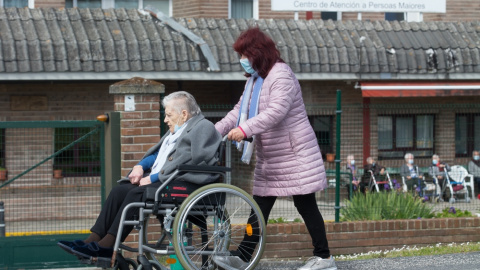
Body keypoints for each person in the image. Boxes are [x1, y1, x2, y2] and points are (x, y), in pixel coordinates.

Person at [213, 28, 336, 270]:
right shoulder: (255, 80)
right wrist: (211, 132)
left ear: (257, 52)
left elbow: (275, 113)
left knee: (305, 204)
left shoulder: (281, 75)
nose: (242, 60)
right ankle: (245, 256)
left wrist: (245, 129)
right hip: (271, 156)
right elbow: (238, 111)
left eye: (244, 54)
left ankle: (324, 258)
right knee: (259, 205)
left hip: (294, 154)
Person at [57, 91, 222, 258]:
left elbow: (190, 161)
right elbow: (159, 155)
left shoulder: (203, 126)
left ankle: (108, 245)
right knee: (118, 191)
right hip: (166, 180)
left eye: (169, 115)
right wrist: (140, 167)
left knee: (136, 193)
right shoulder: (177, 130)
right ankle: (93, 239)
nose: (165, 120)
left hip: (186, 183)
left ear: (184, 114)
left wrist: (153, 178)